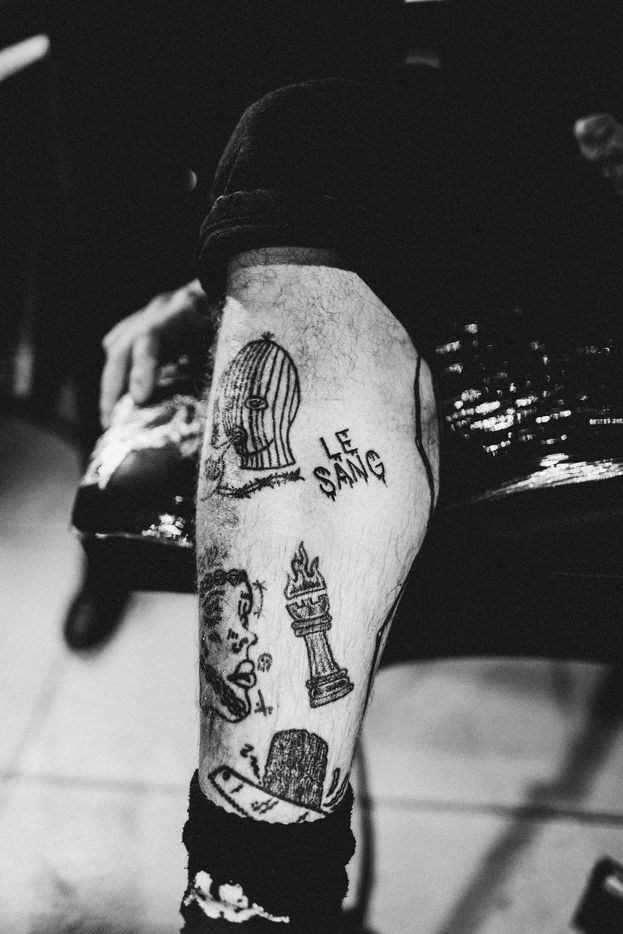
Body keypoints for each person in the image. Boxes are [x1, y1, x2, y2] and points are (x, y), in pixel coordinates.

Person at [98, 4, 623, 932]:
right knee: (298, 130)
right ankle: (254, 892)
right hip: (547, 153)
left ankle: (251, 891)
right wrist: (234, 250)